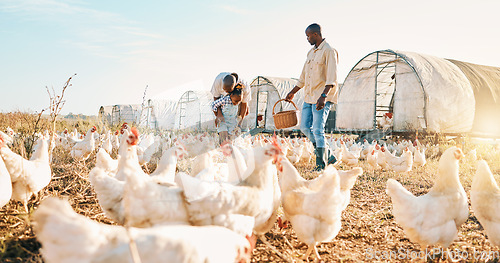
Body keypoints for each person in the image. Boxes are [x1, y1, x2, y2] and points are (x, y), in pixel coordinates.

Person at [285, 23, 339, 171]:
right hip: (309, 97)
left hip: (321, 97)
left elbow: (332, 77)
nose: (307, 39)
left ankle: (320, 165)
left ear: (316, 34)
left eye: (308, 36)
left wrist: (323, 96)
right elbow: (303, 77)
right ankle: (329, 155)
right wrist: (293, 91)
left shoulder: (329, 51)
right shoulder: (310, 53)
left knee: (317, 130)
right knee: (304, 127)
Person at [211, 72, 251, 143]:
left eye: (228, 91)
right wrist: (218, 114)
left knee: (232, 138)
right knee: (223, 137)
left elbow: (244, 106)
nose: (226, 92)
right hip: (223, 109)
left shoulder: (245, 87)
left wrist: (239, 125)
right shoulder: (218, 81)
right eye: (224, 90)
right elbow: (216, 100)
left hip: (235, 112)